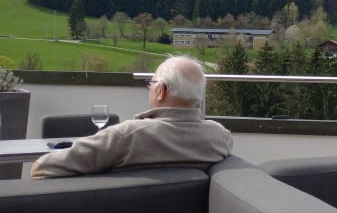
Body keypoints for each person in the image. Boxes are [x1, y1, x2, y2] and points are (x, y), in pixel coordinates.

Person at [31, 56, 233, 178]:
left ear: (161, 91)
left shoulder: (126, 136)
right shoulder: (220, 137)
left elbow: (41, 168)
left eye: (151, 84)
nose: (149, 89)